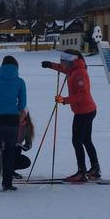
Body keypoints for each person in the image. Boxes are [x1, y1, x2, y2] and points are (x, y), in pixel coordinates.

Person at [41, 49, 100, 182]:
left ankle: (81, 172)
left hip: (84, 112)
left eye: (64, 62)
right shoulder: (73, 68)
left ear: (70, 60)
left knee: (77, 141)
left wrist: (64, 100)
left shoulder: (79, 73)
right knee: (86, 140)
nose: (62, 64)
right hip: (86, 110)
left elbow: (83, 94)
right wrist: (50, 65)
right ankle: (95, 169)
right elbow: (64, 69)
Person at [0, 55, 27, 191]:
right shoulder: (20, 82)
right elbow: (23, 104)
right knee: (9, 152)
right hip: (12, 120)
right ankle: (7, 183)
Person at [13, 109, 35, 179]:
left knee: (26, 162)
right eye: (18, 113)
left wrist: (25, 147)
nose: (20, 115)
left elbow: (29, 143)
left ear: (26, 115)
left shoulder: (27, 127)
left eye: (22, 113)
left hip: (17, 151)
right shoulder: (11, 124)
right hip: (5, 150)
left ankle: (10, 171)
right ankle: (7, 171)